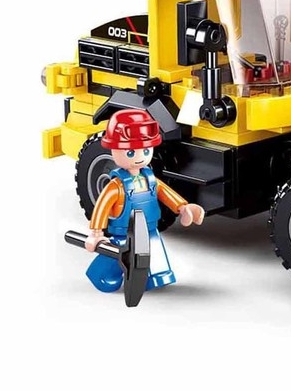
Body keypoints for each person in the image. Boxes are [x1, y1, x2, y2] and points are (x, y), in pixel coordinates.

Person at [84, 109, 204, 293]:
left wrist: (183, 207)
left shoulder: (150, 178)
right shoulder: (116, 186)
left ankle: (156, 276)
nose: (140, 157)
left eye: (146, 150)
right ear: (114, 149)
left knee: (154, 249)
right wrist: (96, 233)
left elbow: (165, 192)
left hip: (149, 228)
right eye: (131, 152)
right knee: (118, 254)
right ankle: (101, 275)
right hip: (124, 232)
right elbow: (102, 207)